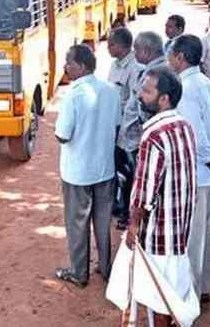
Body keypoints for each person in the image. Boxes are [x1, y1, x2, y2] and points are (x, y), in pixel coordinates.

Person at [126, 66, 197, 326]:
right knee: (172, 293)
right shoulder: (184, 125)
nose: (140, 95)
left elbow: (144, 192)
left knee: (160, 301)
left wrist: (133, 226)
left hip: (159, 235)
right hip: (180, 230)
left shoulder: (153, 134)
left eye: (146, 91)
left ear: (164, 99)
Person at [167, 36, 210, 305]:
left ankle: (190, 299)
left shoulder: (185, 87)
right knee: (202, 234)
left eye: (171, 54)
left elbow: (195, 136)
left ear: (180, 57)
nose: (169, 59)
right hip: (209, 171)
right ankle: (202, 287)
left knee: (192, 239)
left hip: (197, 172)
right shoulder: (207, 83)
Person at [54, 44, 119, 288]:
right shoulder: (110, 91)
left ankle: (79, 272)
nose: (65, 67)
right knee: (103, 222)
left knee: (77, 223)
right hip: (104, 167)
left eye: (68, 62)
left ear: (80, 66)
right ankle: (105, 267)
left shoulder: (73, 94)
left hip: (78, 171)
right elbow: (116, 125)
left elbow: (63, 135)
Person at [115, 31, 167, 225]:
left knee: (140, 180)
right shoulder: (153, 68)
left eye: (136, 50)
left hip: (140, 139)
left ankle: (138, 220)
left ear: (146, 51)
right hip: (136, 138)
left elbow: (147, 108)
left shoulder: (157, 72)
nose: (134, 54)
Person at [107, 27, 141, 229]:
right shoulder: (115, 65)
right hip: (113, 124)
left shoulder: (135, 68)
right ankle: (118, 205)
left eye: (112, 44)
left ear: (124, 46)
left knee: (130, 172)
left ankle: (129, 213)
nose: (108, 47)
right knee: (117, 168)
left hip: (128, 128)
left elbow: (134, 102)